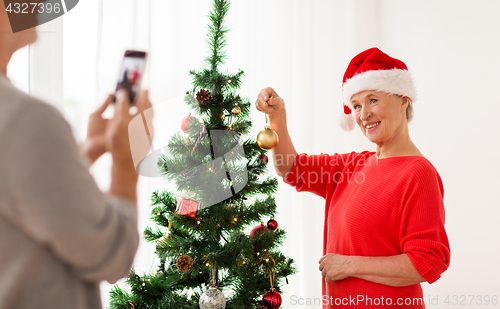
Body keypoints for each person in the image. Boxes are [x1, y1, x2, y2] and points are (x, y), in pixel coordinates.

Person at [255, 47, 450, 308]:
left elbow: (427, 262)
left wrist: (348, 264)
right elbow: (290, 168)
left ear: (403, 99)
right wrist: (277, 117)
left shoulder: (418, 173)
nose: (363, 114)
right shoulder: (352, 166)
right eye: (356, 105)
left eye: (373, 100)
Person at [0, 2, 153, 309]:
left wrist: (88, 151)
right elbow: (113, 255)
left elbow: (22, 196)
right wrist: (126, 161)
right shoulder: (26, 119)